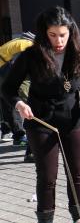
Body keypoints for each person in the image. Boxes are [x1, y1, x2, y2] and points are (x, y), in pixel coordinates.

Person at [2, 6, 80, 223]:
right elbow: (7, 88)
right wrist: (19, 104)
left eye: (63, 34)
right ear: (43, 33)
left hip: (72, 122)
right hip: (41, 124)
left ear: (71, 32)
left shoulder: (79, 54)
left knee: (76, 173)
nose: (59, 41)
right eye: (53, 35)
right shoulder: (31, 56)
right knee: (47, 177)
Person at [0, 31, 35, 162]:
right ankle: (31, 151)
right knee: (30, 105)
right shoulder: (29, 45)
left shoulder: (19, 42)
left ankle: (16, 135)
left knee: (7, 101)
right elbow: (23, 68)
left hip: (2, 71)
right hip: (7, 70)